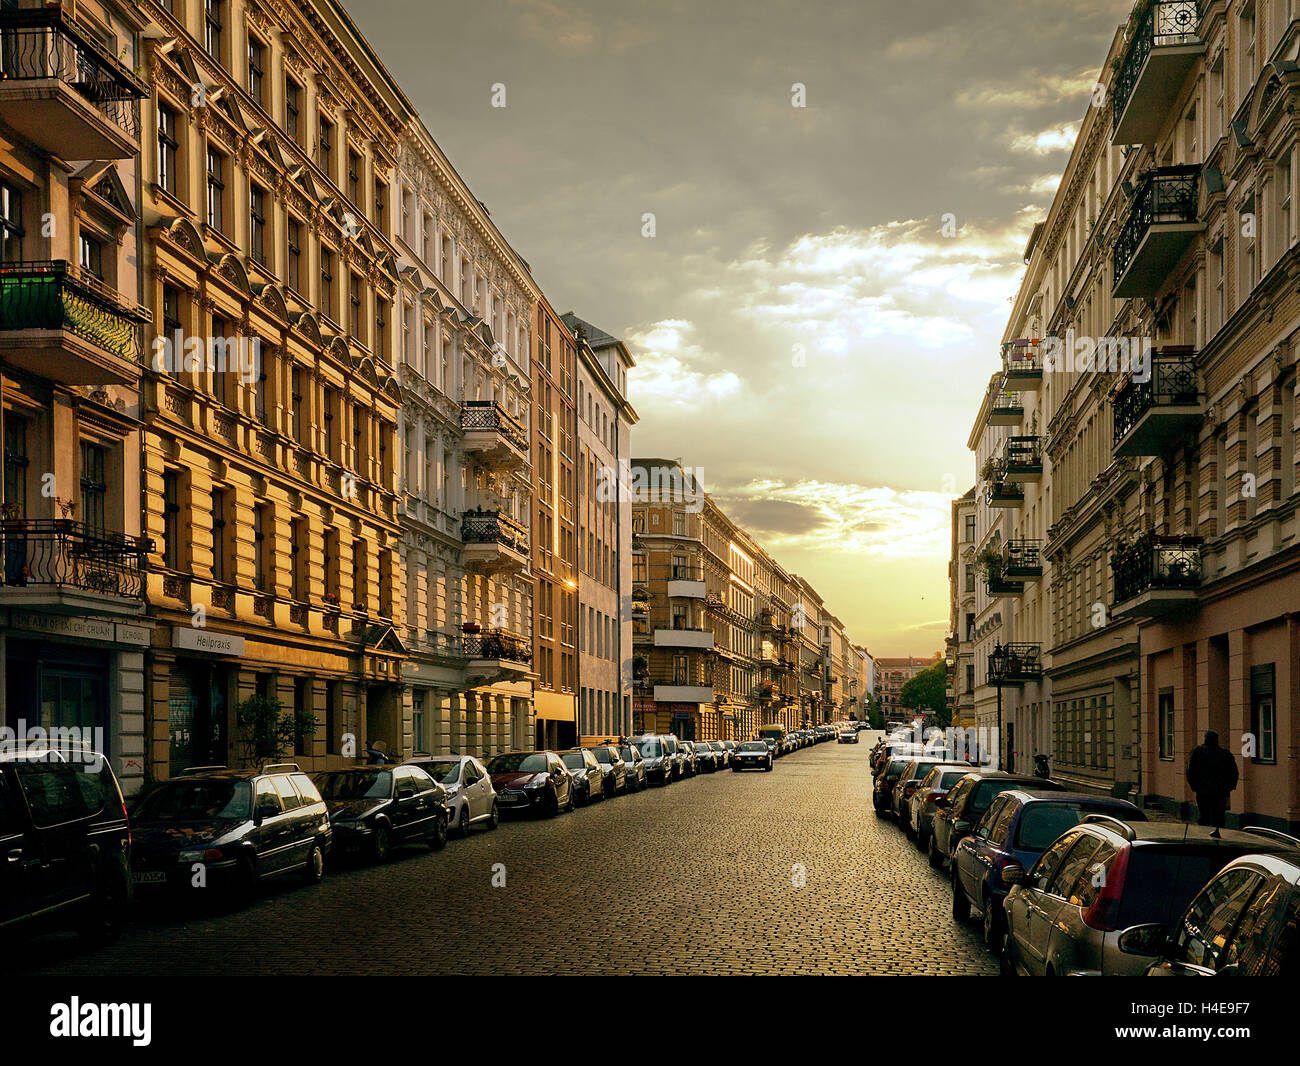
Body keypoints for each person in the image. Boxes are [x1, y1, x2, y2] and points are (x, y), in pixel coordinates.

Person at [1186, 730, 1239, 833]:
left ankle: (1203, 836)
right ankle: (1218, 836)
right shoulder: (1225, 754)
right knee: (1218, 817)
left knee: (1204, 816)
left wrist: (1194, 786)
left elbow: (1190, 770)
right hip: (1220, 792)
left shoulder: (1197, 752)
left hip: (1202, 790)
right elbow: (1233, 772)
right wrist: (1229, 788)